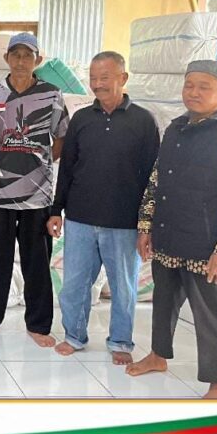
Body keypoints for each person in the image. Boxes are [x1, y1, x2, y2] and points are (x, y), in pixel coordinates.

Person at [127, 60, 217, 399]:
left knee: (213, 314)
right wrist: (145, 226)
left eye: (204, 87)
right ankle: (157, 356)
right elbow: (156, 180)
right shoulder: (175, 128)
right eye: (189, 85)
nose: (194, 92)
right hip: (168, 234)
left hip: (205, 243)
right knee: (163, 302)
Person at [47, 51, 159, 363]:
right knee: (74, 285)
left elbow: (153, 177)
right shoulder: (81, 118)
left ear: (123, 78)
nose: (97, 84)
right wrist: (57, 209)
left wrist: (147, 225)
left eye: (104, 77)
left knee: (123, 288)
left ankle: (120, 342)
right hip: (80, 218)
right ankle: (74, 335)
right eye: (93, 78)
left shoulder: (143, 121)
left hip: (124, 222)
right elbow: (67, 167)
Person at [0, 32, 69, 347]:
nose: (21, 61)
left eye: (28, 55)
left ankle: (38, 324)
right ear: (7, 58)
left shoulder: (52, 94)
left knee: (36, 261)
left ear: (38, 60)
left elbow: (62, 137)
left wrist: (41, 164)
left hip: (37, 195)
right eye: (16, 55)